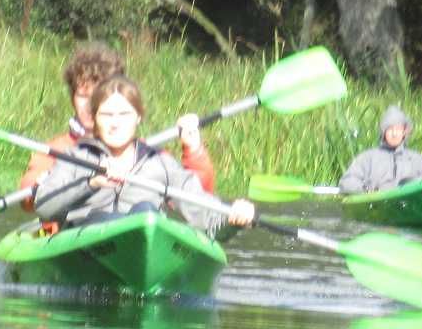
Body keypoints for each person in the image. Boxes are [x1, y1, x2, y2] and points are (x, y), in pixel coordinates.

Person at [32, 77, 256, 238]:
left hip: (145, 233)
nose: (115, 123)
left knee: (146, 213)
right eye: (107, 114)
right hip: (87, 237)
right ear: (94, 118)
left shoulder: (160, 163)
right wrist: (91, 183)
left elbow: (208, 221)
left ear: (138, 117)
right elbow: (43, 206)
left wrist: (233, 220)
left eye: (124, 114)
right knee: (132, 218)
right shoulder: (76, 157)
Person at [18, 43, 214, 205]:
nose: (89, 105)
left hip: (130, 227)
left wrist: (193, 151)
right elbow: (28, 196)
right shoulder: (57, 150)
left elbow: (197, 197)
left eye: (97, 96)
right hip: (71, 230)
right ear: (72, 97)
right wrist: (48, 181)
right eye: (82, 96)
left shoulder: (147, 156)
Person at [339, 104, 422, 193]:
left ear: (404, 132)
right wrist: (366, 191)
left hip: (409, 206)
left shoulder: (418, 160)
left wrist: (415, 184)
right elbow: (347, 182)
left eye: (398, 129)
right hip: (376, 206)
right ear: (383, 132)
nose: (394, 134)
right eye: (390, 129)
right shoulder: (367, 158)